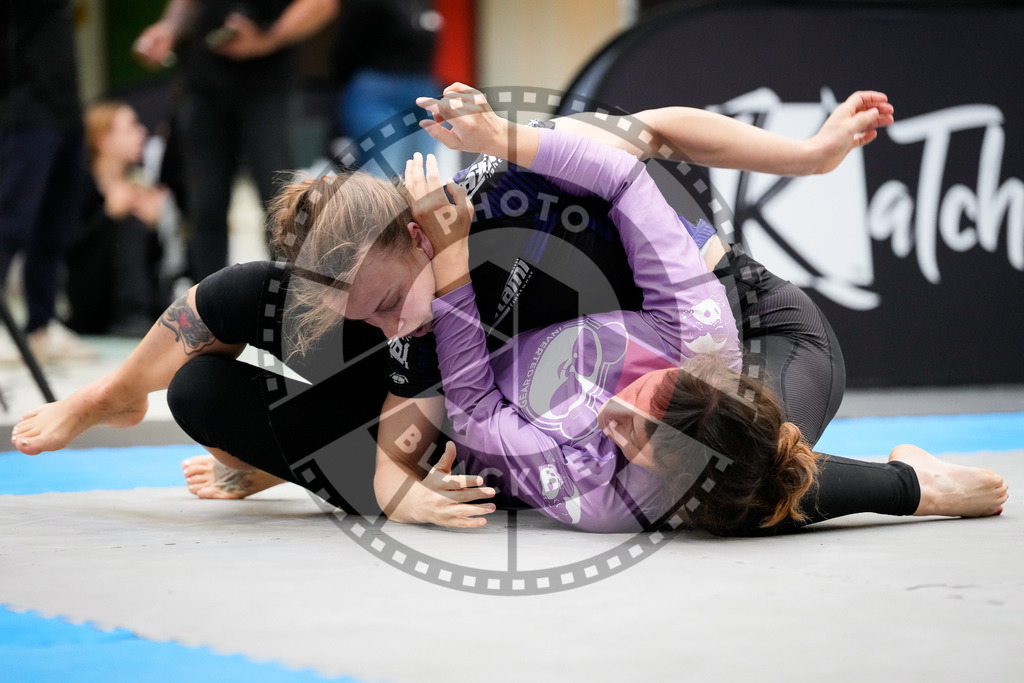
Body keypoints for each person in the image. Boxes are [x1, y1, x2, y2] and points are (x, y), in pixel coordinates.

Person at [11, 86, 1007, 531]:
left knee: (736, 465)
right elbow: (212, 305)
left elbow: (646, 133)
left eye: (395, 299)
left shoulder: (521, 203)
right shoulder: (382, 300)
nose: (386, 325)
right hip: (597, 384)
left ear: (423, 236)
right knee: (220, 386)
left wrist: (810, 155)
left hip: (739, 342)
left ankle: (908, 485)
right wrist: (109, 392)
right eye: (365, 316)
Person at [133, 0, 340, 282]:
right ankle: (206, 310)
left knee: (278, 202)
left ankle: (290, 305)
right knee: (204, 207)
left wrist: (268, 40)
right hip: (204, 82)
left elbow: (322, 5)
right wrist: (169, 28)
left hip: (267, 83)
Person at [0, 0, 96, 363]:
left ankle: (41, 325)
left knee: (54, 225)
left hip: (65, 110)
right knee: (11, 225)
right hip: (23, 111)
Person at [65, 101, 183, 337]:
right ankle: (132, 315)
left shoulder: (139, 183)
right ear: (104, 140)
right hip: (88, 300)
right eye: (131, 127)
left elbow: (153, 262)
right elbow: (65, 251)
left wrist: (153, 228)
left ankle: (142, 314)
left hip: (136, 307)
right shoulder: (77, 186)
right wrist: (107, 216)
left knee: (137, 224)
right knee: (128, 224)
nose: (142, 133)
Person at [332, 0, 442, 177]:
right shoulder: (369, 5)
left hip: (422, 89)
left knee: (425, 173)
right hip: (376, 88)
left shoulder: (425, 4)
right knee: (383, 174)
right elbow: (346, 50)